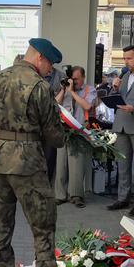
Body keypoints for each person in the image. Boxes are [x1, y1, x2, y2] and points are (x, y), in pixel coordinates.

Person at [0, 37, 75, 267]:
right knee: (43, 231)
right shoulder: (39, 87)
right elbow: (55, 138)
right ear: (40, 59)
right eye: (50, 65)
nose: (51, 71)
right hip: (28, 166)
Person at [106, 46, 134, 215]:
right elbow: (117, 99)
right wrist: (115, 88)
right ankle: (122, 198)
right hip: (121, 124)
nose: (126, 61)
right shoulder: (124, 76)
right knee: (122, 165)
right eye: (124, 58)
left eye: (129, 58)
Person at [54, 66, 96, 208]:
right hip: (63, 130)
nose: (74, 81)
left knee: (76, 165)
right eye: (73, 79)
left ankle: (76, 195)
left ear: (83, 77)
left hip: (79, 130)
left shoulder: (89, 90)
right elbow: (54, 104)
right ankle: (60, 195)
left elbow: (87, 106)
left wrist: (72, 92)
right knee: (61, 164)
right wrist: (64, 90)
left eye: (77, 79)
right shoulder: (65, 89)